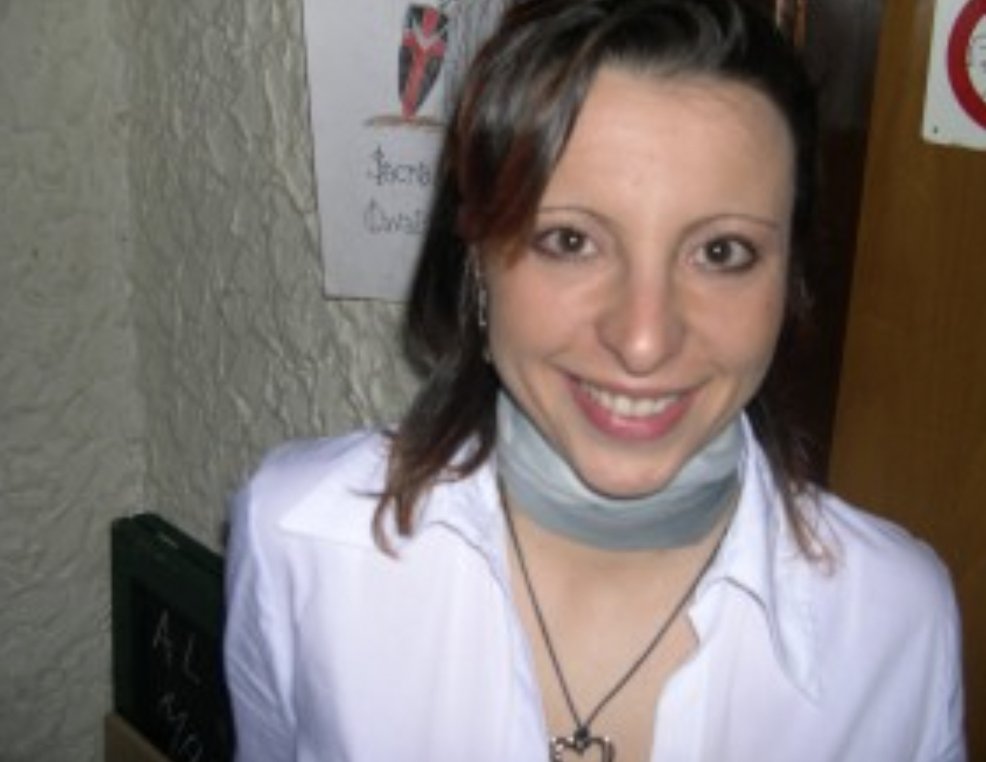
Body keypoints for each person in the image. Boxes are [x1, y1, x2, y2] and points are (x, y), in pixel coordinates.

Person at [224, 0, 966, 759]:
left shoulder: (896, 625)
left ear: (791, 280)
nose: (643, 341)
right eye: (571, 240)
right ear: (476, 259)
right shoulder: (299, 542)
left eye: (721, 253)